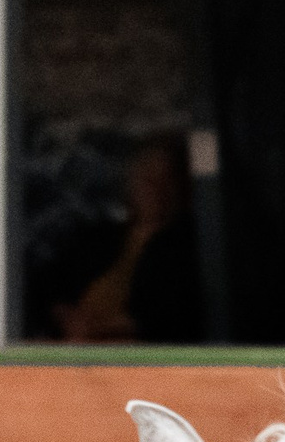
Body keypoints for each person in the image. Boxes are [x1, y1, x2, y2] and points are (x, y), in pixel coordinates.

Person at [53, 137, 205, 343]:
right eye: (147, 178)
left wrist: (104, 330)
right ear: (130, 182)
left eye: (167, 179)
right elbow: (51, 287)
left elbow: (170, 318)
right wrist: (65, 317)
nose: (156, 188)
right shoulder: (99, 238)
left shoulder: (188, 251)